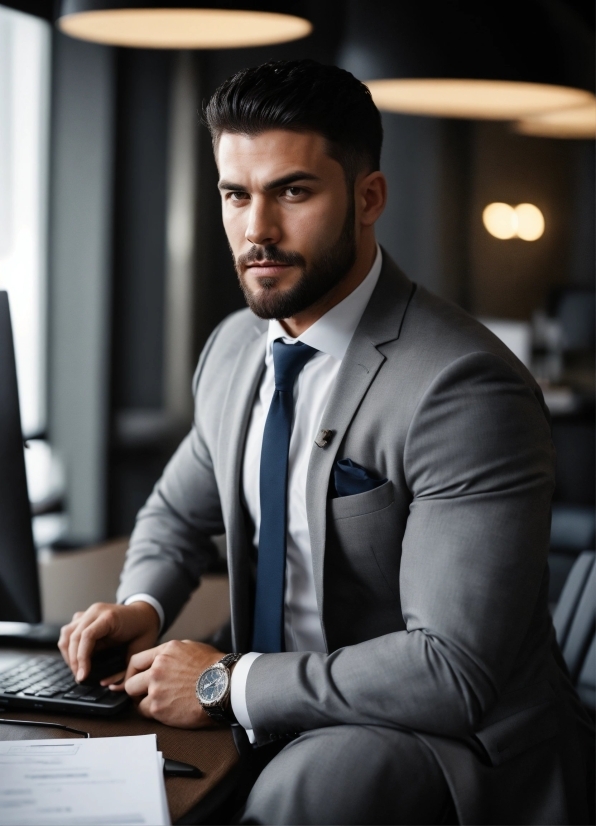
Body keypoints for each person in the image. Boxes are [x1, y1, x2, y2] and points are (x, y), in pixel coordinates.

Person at [59, 60, 593, 825]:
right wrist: (141, 606)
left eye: (293, 191)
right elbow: (176, 516)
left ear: (368, 197)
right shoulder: (235, 350)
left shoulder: (465, 386)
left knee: (292, 799)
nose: (257, 230)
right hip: (278, 703)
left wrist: (226, 684)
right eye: (235, 195)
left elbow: (453, 670)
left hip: (440, 739)